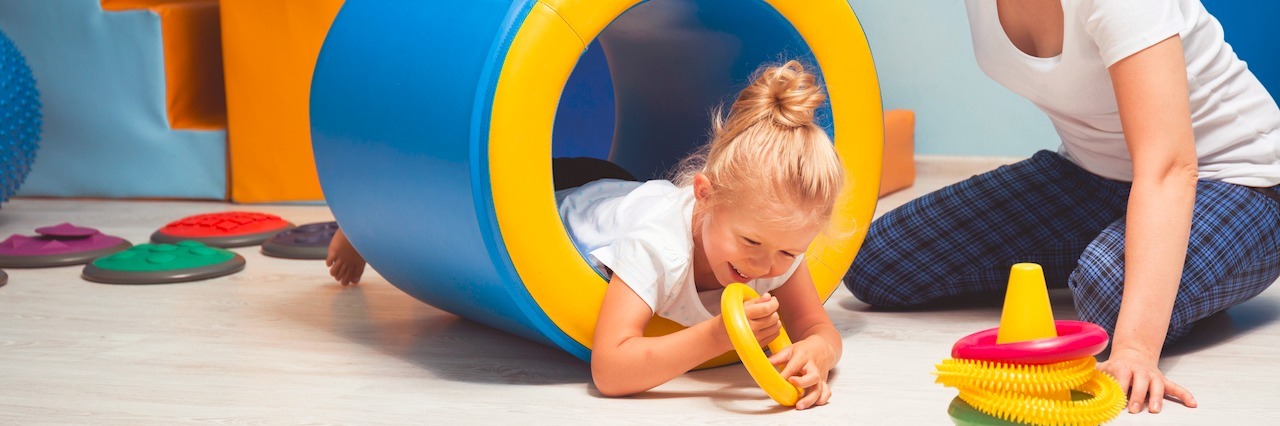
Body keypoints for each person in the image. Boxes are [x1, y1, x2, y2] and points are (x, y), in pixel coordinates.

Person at [326, 60, 847, 410]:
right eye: (751, 243)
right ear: (705, 195)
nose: (764, 267)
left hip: (623, 190)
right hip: (563, 202)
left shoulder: (776, 243)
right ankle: (362, 227)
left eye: (788, 252)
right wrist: (716, 336)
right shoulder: (658, 247)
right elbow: (612, 370)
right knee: (451, 192)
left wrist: (817, 355)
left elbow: (818, 329)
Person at [846, 0, 1279, 415]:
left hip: (1235, 180)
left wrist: (1136, 348)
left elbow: (1168, 167)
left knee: (1108, 299)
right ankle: (1120, 251)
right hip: (1093, 175)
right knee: (879, 263)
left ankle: (1182, 266)